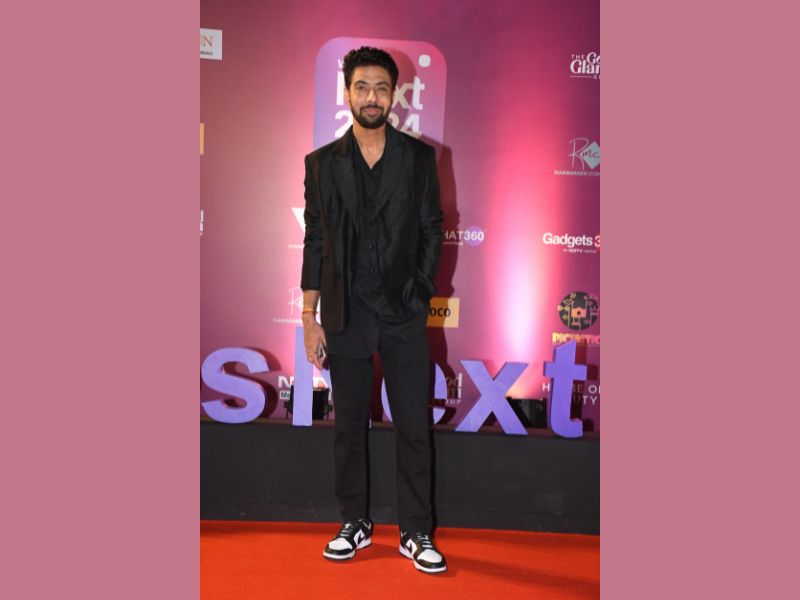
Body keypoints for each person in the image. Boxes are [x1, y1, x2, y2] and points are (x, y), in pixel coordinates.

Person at [300, 46, 446, 574]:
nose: (371, 97)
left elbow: (432, 229)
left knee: (413, 427)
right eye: (362, 87)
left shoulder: (418, 159)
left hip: (403, 314)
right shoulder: (322, 164)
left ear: (394, 96)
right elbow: (315, 240)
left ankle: (415, 531)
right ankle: (354, 522)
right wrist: (308, 316)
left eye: (381, 88)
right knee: (348, 428)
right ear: (347, 93)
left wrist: (420, 293)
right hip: (346, 314)